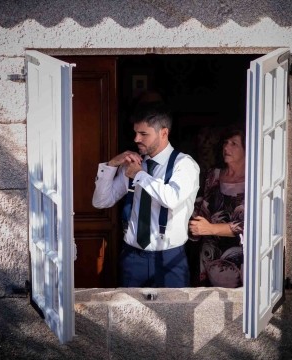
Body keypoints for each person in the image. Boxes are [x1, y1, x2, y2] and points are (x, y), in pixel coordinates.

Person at [92, 102, 200, 287]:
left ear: (164, 133)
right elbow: (101, 201)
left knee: (173, 315)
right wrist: (111, 165)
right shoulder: (134, 164)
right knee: (129, 314)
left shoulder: (184, 164)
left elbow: (172, 198)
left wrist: (140, 175)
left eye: (144, 134)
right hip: (133, 257)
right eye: (135, 132)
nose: (136, 139)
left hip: (170, 259)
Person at [188, 126, 245, 288]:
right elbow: (202, 208)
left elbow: (249, 225)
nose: (226, 147)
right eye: (225, 143)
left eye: (234, 144)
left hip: (240, 255)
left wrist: (210, 228)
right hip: (211, 252)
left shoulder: (254, 180)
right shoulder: (213, 175)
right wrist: (193, 224)